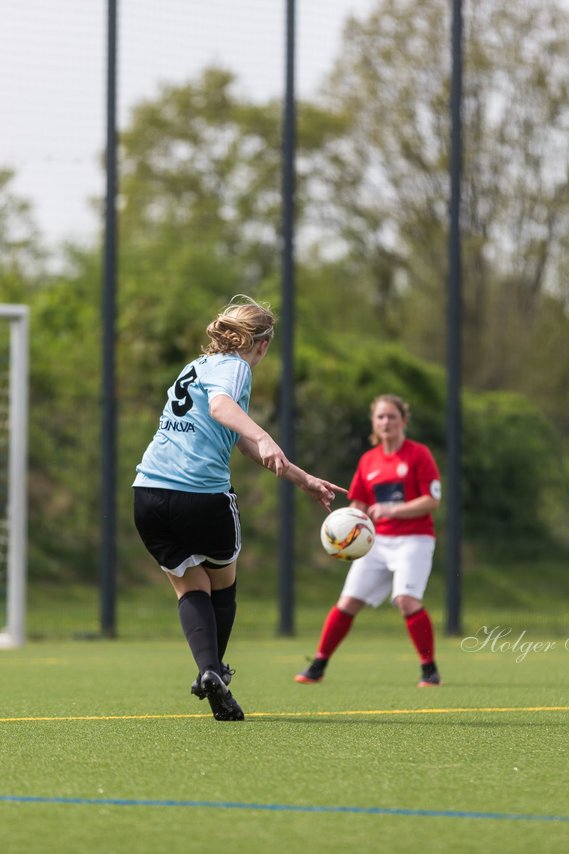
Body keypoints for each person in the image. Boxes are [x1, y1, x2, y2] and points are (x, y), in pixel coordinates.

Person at [133, 295, 346, 721]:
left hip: (148, 494)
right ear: (262, 344)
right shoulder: (236, 367)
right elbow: (222, 409)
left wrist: (302, 479)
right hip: (201, 498)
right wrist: (266, 435)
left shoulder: (195, 367)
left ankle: (211, 672)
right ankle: (212, 670)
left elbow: (238, 439)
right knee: (222, 587)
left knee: (190, 588)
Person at [295, 394, 443, 687]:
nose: (386, 422)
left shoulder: (418, 454)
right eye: (380, 417)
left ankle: (429, 669)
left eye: (392, 416)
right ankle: (319, 665)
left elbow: (432, 500)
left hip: (414, 539)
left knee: (405, 600)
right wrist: (339, 533)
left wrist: (393, 509)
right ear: (373, 422)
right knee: (347, 602)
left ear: (403, 420)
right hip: (377, 543)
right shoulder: (368, 460)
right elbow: (358, 508)